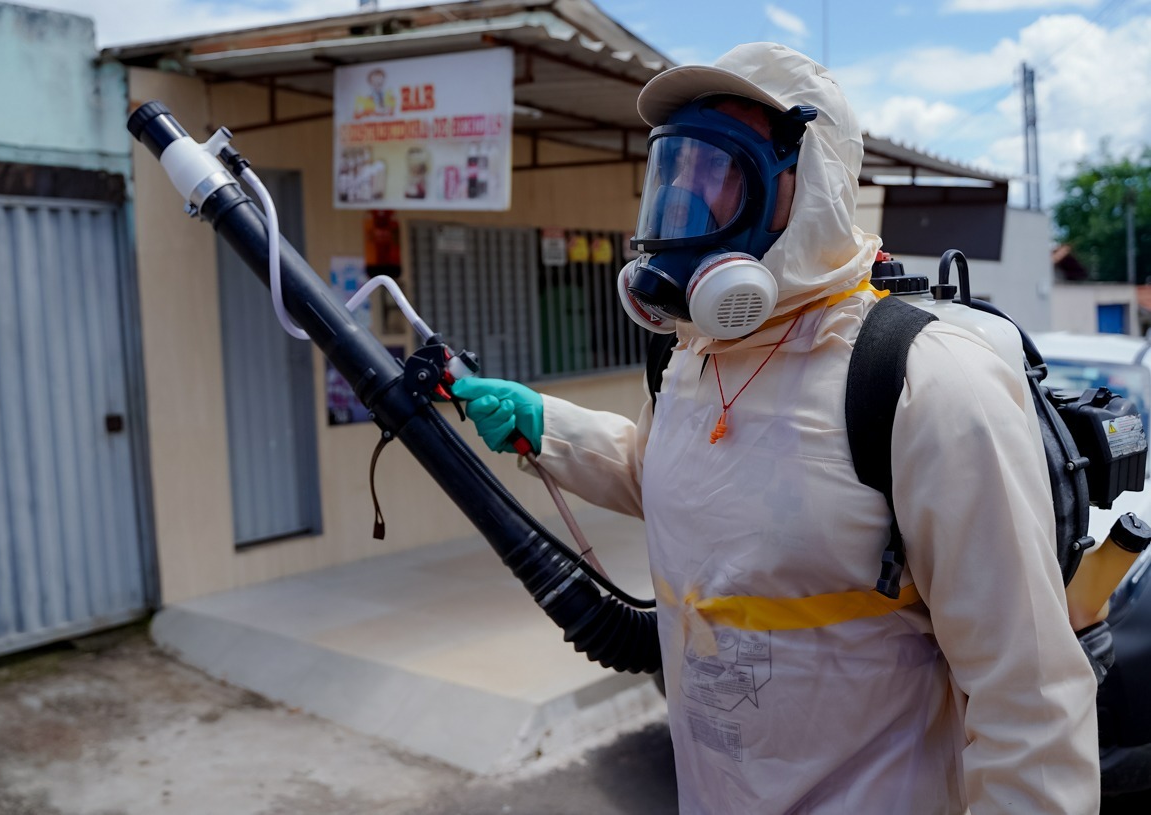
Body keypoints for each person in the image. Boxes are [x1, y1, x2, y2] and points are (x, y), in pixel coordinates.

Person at [452, 42, 1099, 814]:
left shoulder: (922, 381)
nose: (688, 201)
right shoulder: (693, 358)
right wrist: (546, 424)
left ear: (810, 182)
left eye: (719, 171)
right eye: (677, 172)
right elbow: (661, 473)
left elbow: (1029, 707)